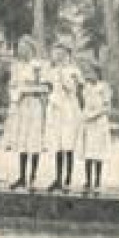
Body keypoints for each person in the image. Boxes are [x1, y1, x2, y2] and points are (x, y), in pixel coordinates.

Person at [2, 37, 49, 190]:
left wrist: (30, 89)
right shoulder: (16, 67)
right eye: (20, 48)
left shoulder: (39, 66)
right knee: (22, 141)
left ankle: (33, 178)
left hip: (35, 105)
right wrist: (17, 94)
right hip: (22, 106)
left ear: (31, 49)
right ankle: (22, 177)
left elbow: (46, 88)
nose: (22, 51)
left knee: (34, 141)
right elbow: (12, 86)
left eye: (25, 47)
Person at [43, 45, 84, 192]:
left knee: (68, 143)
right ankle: (58, 178)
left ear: (68, 55)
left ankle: (68, 179)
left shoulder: (74, 71)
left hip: (69, 110)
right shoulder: (52, 71)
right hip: (56, 110)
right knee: (58, 144)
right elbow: (48, 87)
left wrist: (64, 79)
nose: (59, 57)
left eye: (62, 54)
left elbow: (75, 89)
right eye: (57, 54)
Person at [79, 61, 114, 194]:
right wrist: (85, 115)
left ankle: (97, 181)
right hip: (88, 122)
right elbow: (84, 104)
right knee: (88, 151)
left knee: (98, 152)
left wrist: (95, 114)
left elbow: (107, 107)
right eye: (88, 73)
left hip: (99, 122)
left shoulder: (104, 87)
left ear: (97, 73)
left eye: (92, 72)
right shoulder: (86, 88)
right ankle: (88, 181)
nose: (89, 75)